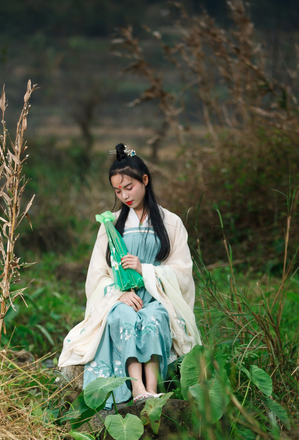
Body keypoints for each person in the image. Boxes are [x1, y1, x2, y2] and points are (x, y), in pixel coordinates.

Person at [58, 143, 201, 406]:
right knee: (122, 316)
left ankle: (152, 388)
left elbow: (182, 271)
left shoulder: (171, 223)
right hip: (121, 297)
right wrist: (119, 294)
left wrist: (144, 269)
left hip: (158, 296)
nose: (124, 195)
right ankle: (137, 390)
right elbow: (97, 275)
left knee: (156, 318)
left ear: (145, 180)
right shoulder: (110, 225)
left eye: (129, 187)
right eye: (117, 190)